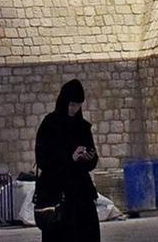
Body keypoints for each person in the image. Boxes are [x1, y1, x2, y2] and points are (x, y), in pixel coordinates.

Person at [32, 79, 99, 242]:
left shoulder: (82, 127)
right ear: (64, 102)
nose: (74, 109)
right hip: (56, 192)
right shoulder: (50, 125)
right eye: (71, 105)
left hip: (80, 194)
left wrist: (89, 158)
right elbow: (43, 159)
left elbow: (91, 161)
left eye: (77, 106)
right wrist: (70, 157)